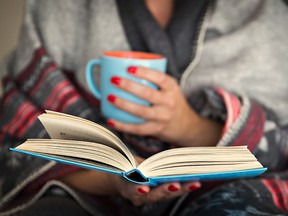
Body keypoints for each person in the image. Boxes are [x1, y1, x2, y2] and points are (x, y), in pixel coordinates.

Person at [0, 0, 288, 215]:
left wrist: (189, 125)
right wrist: (113, 178)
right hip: (88, 192)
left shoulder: (269, 16)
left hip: (234, 188)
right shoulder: (59, 9)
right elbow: (21, 132)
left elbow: (282, 145)